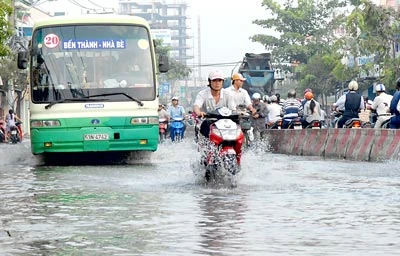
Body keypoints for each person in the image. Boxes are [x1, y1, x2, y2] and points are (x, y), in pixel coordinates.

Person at [193, 70, 236, 138]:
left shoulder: (228, 94)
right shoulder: (202, 94)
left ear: (222, 82)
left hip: (225, 123)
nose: (217, 83)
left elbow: (233, 109)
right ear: (209, 82)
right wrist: (199, 113)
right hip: (207, 122)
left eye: (219, 80)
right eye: (214, 80)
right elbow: (196, 105)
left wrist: (238, 113)